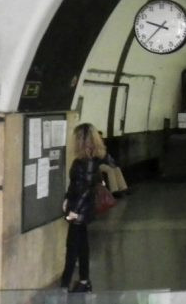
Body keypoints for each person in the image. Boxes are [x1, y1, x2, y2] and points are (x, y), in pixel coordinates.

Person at [60, 123, 115, 292]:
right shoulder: (91, 159)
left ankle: (64, 285)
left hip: (80, 209)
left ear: (81, 140)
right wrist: (67, 198)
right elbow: (78, 185)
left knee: (72, 248)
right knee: (82, 245)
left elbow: (84, 189)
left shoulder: (86, 161)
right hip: (82, 207)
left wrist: (74, 211)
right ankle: (84, 281)